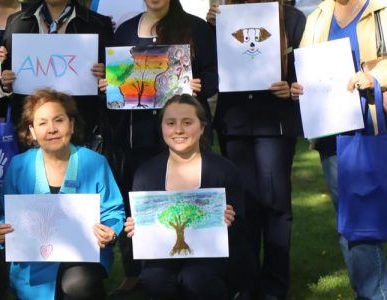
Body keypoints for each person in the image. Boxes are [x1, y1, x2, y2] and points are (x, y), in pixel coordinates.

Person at [291, 0, 387, 298]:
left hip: (372, 127)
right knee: (350, 227)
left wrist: (376, 76)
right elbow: (307, 68)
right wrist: (300, 89)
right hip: (332, 136)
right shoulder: (319, 16)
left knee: (361, 228)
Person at [97, 0, 218, 294]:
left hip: (182, 138)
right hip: (134, 137)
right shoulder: (125, 30)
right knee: (136, 203)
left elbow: (215, 78)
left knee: (183, 201)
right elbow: (119, 80)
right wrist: (108, 82)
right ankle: (136, 272)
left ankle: (186, 266)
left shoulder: (197, 28)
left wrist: (201, 84)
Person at [206, 1, 305, 297]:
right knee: (242, 206)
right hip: (234, 123)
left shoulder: (293, 18)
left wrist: (291, 86)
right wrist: (214, 28)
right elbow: (210, 71)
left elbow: (307, 69)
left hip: (275, 123)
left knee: (275, 204)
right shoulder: (220, 19)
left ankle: (274, 285)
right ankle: (245, 282)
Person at [0, 89, 124, 299]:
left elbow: (113, 210)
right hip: (34, 258)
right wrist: (1, 232)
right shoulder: (18, 166)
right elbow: (5, 213)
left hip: (84, 254)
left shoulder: (95, 162)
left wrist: (110, 230)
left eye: (58, 120)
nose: (51, 129)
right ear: (32, 131)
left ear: (71, 124)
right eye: (42, 123)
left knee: (78, 284)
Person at [122, 94, 244, 299]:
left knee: (197, 279)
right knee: (154, 279)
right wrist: (136, 228)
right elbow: (145, 232)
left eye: (187, 123)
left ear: (202, 127)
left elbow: (241, 230)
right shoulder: (146, 173)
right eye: (170, 123)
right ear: (161, 128)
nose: (178, 130)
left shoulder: (224, 170)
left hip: (211, 256)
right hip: (162, 255)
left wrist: (230, 221)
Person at [0, 0, 113, 148]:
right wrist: (6, 83)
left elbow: (111, 83)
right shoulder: (16, 22)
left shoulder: (98, 24)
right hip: (30, 132)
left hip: (81, 131)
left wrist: (105, 77)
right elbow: (6, 78)